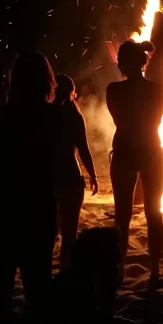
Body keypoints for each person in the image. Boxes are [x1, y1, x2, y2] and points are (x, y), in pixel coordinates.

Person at [0, 51, 62, 324]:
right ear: (45, 81)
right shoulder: (52, 118)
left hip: (2, 214)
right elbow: (56, 167)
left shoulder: (0, 118)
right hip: (38, 212)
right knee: (37, 287)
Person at [106, 40, 163, 281]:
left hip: (124, 149)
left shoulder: (114, 89)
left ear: (122, 63)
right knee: (154, 211)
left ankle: (119, 268)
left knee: (122, 214)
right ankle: (154, 268)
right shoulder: (159, 89)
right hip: (152, 149)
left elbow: (120, 120)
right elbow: (156, 120)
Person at [53, 74, 98, 270]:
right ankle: (65, 273)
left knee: (49, 233)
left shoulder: (43, 114)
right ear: (73, 93)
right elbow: (83, 149)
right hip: (70, 178)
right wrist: (92, 175)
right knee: (69, 234)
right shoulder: (74, 116)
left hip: (50, 179)